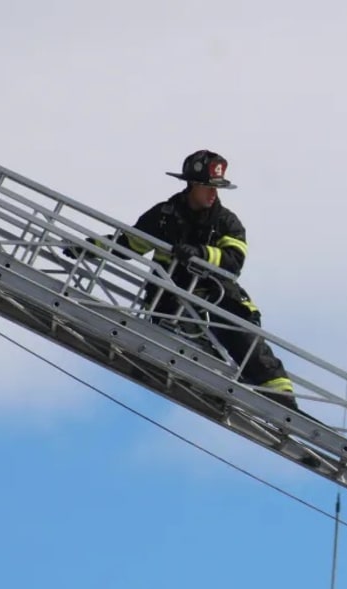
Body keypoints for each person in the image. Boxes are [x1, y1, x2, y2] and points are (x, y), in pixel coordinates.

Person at [75, 149, 300, 412]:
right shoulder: (163, 216)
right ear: (192, 185)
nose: (214, 194)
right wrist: (89, 248)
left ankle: (283, 402)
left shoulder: (226, 222)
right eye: (208, 187)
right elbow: (128, 244)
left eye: (217, 188)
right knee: (190, 341)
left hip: (217, 297)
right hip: (171, 303)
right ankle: (213, 379)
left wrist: (201, 254)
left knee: (245, 339)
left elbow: (234, 260)